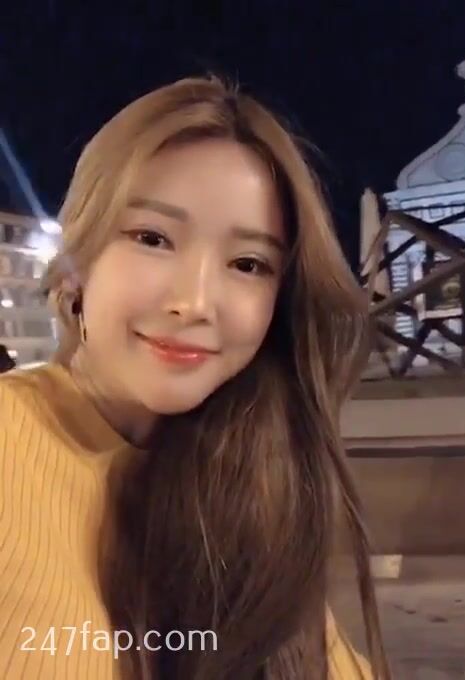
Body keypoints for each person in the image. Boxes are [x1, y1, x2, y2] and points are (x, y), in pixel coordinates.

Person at [0, 76, 390, 679]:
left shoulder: (258, 482)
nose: (195, 302)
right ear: (77, 263)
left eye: (248, 264)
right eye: (152, 238)